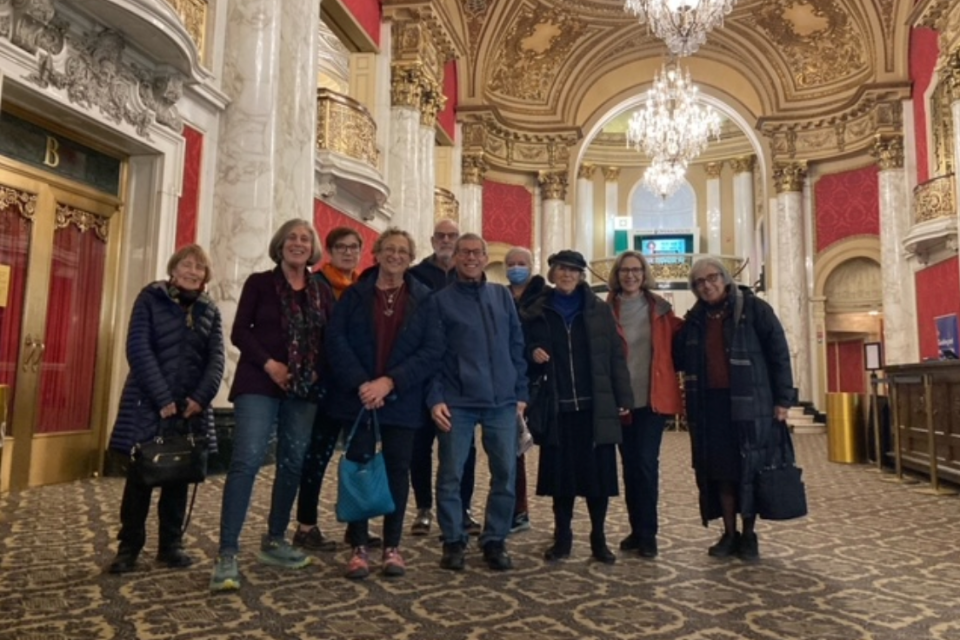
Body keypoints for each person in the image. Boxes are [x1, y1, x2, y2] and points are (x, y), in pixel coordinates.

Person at [210, 219, 334, 591]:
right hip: (258, 383)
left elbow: (331, 339)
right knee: (246, 460)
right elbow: (239, 332)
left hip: (305, 390)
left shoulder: (321, 291)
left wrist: (317, 371)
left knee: (293, 462)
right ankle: (227, 553)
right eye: (291, 238)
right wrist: (270, 364)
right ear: (279, 245)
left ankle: (276, 538)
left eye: (305, 238)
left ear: (312, 248)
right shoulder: (259, 283)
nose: (298, 243)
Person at [325, 228, 442, 579]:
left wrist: (389, 382)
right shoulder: (355, 294)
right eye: (388, 249)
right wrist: (363, 384)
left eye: (403, 251)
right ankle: (359, 546)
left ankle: (392, 546)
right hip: (359, 397)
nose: (395, 256)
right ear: (376, 254)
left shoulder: (425, 297)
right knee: (359, 467)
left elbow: (432, 350)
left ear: (410, 257)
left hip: (402, 396)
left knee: (397, 470)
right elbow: (335, 340)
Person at [107, 244, 224, 574]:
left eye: (199, 268)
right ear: (173, 270)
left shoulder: (210, 310)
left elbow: (216, 360)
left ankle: (171, 545)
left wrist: (200, 399)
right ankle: (129, 548)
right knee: (140, 479)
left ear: (205, 276)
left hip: (190, 409)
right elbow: (138, 349)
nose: (192, 271)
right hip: (148, 405)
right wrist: (163, 399)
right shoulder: (150, 299)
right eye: (186, 265)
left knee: (179, 476)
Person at [673, 257, 795, 562]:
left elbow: (778, 353)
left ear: (725, 279)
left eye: (712, 278)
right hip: (710, 406)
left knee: (750, 468)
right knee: (720, 473)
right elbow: (678, 357)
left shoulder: (755, 310)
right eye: (699, 282)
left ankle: (749, 534)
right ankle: (729, 533)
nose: (706, 285)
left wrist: (783, 400)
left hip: (752, 403)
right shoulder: (696, 319)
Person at [521, 250, 633, 564]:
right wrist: (532, 352)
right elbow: (521, 346)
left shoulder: (598, 310)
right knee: (562, 479)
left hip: (594, 406)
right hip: (557, 406)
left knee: (597, 478)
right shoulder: (538, 311)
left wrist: (623, 398)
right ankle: (563, 536)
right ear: (553, 273)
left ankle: (598, 537)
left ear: (581, 276)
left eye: (573, 270)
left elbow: (614, 356)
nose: (567, 275)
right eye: (561, 270)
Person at [428, 233, 528, 572]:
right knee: (451, 473)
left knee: (505, 473)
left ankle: (495, 540)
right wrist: (436, 397)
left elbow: (517, 347)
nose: (471, 257)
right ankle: (454, 539)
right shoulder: (440, 301)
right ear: (454, 258)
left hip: (502, 400)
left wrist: (521, 393)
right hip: (457, 401)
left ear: (486, 258)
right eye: (464, 252)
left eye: (477, 252)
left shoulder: (501, 296)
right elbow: (433, 355)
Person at [606, 250, 682, 559]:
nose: (630, 275)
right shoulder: (605, 309)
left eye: (636, 270)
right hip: (619, 402)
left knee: (647, 466)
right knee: (629, 467)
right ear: (617, 273)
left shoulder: (661, 310)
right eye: (625, 270)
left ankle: (649, 533)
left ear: (644, 273)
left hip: (652, 401)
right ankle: (636, 529)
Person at [293, 226, 365, 552]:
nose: (347, 253)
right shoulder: (316, 285)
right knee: (316, 458)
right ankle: (306, 527)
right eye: (341, 247)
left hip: (355, 388)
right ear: (330, 251)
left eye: (353, 248)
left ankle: (356, 527)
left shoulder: (364, 288)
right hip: (324, 387)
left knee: (357, 460)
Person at [408, 218, 480, 537]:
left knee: (464, 450)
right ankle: (424, 508)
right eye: (442, 235)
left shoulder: (471, 279)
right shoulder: (416, 275)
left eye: (452, 236)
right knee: (420, 446)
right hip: (422, 374)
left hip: (459, 377)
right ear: (432, 238)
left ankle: (462, 508)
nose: (447, 240)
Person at [504, 246, 547, 534]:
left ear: (531, 266)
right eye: (512, 263)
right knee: (511, 450)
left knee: (550, 446)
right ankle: (517, 510)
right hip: (508, 380)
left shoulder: (547, 297)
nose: (517, 267)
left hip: (542, 381)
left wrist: (535, 350)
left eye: (522, 263)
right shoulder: (499, 296)